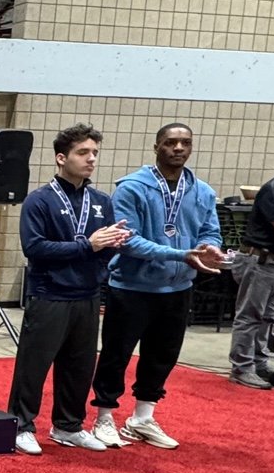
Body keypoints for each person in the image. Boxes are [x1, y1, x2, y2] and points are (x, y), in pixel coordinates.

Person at [90, 122, 224, 449]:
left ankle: (141, 418)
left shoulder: (202, 191)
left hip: (178, 288)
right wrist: (181, 255)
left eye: (185, 143)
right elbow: (127, 241)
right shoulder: (131, 188)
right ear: (156, 147)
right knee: (116, 354)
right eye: (171, 142)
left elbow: (210, 230)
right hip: (132, 287)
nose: (178, 148)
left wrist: (211, 248)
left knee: (162, 356)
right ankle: (104, 417)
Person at [7, 124, 130, 455]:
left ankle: (68, 426)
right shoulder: (39, 200)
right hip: (49, 294)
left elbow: (102, 249)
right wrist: (88, 246)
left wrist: (111, 246)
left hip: (88, 295)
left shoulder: (102, 201)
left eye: (94, 153)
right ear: (61, 158)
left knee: (80, 366)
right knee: (34, 365)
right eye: (82, 153)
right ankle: (20, 425)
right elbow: (35, 248)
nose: (91, 159)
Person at [226, 148, 274, 390]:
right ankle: (242, 366)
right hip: (261, 260)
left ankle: (258, 361)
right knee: (250, 316)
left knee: (266, 317)